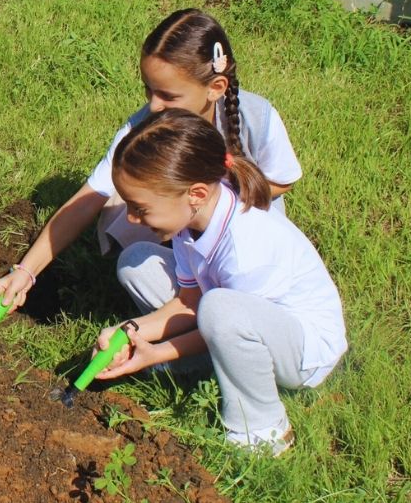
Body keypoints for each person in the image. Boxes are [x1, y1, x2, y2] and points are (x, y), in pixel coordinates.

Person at [0, 8, 303, 322]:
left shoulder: (256, 118)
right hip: (191, 250)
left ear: (215, 88)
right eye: (148, 90)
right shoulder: (147, 126)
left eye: (167, 95)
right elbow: (89, 197)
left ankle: (233, 325)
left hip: (248, 246)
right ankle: (200, 322)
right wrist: (25, 272)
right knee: (134, 263)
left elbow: (283, 180)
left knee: (245, 302)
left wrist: (216, 194)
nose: (154, 105)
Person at [93, 108, 346, 455]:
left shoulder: (246, 245)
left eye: (140, 207)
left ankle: (262, 429)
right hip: (235, 319)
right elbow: (188, 301)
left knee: (219, 308)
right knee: (136, 262)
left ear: (194, 194)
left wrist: (153, 354)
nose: (131, 218)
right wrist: (128, 330)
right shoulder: (189, 222)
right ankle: (205, 366)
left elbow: (217, 314)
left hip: (303, 352)